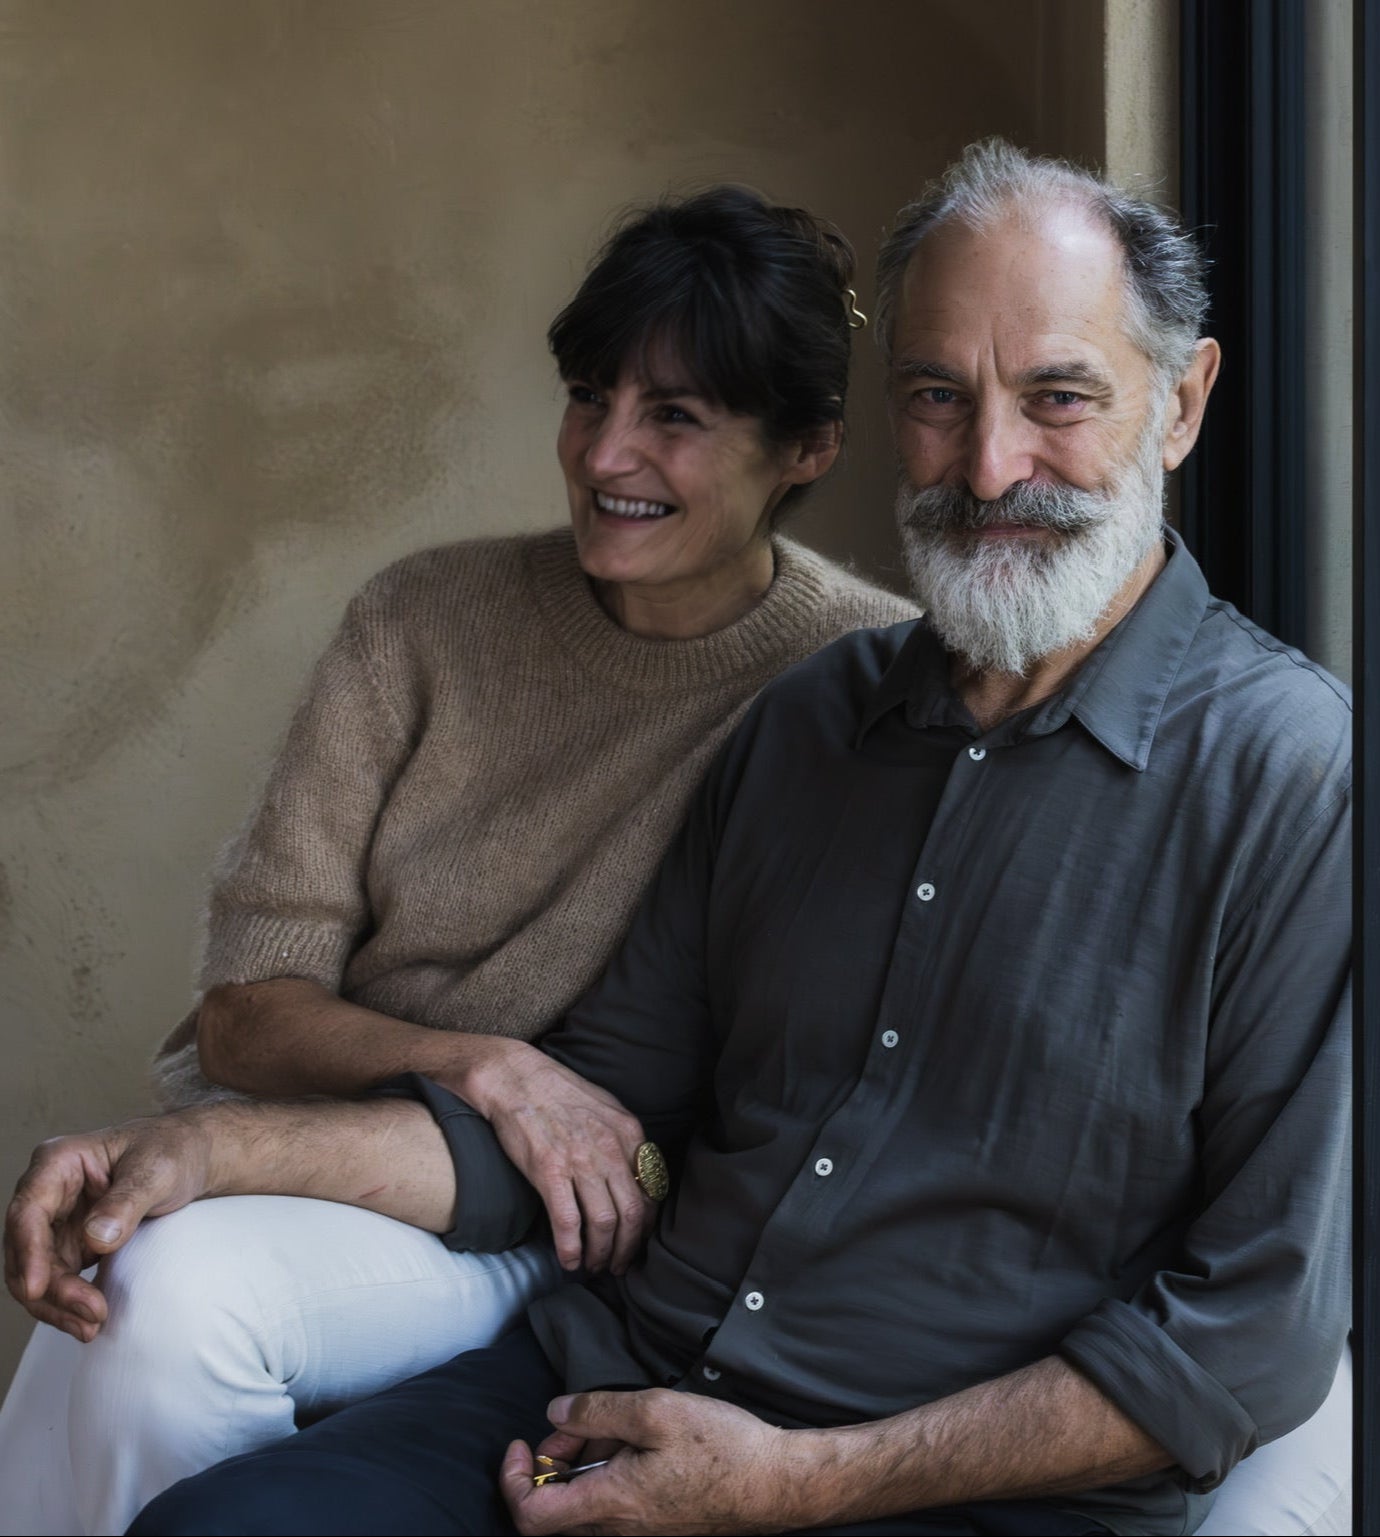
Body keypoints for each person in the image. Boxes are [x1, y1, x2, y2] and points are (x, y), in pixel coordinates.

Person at [6, 140, 1351, 1535]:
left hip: (910, 1486)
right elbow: (599, 1111)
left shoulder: (1287, 770)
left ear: (1182, 402)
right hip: (603, 1380)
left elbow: (1253, 1327)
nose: (992, 462)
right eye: (941, 399)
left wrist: (791, 1481)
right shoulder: (814, 716)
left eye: (1058, 398)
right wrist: (201, 1157)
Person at [0, 187, 917, 1537]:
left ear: (808, 447)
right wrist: (476, 1058)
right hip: (350, 1148)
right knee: (103, 1304)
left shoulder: (860, 684)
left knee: (159, 1304)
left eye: (675, 415)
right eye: (589, 394)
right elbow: (246, 1011)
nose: (607, 451)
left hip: (568, 1217)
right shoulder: (425, 619)